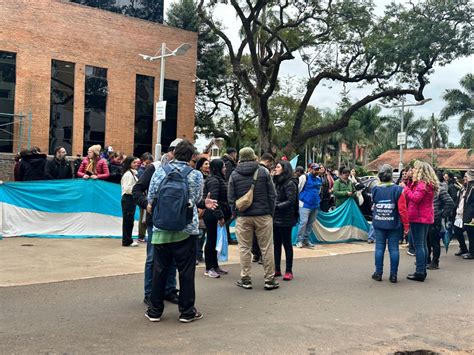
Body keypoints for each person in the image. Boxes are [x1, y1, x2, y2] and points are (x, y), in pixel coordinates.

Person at [145, 140, 205, 323]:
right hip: (186, 230)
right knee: (186, 272)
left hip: (161, 228)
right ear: (192, 156)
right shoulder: (195, 175)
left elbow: (151, 196)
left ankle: (155, 311)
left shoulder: (160, 171)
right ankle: (187, 312)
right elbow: (196, 198)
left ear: (174, 153)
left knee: (159, 270)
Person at [228, 147, 278, 290]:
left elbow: (231, 198)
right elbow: (272, 195)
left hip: (243, 217)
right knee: (267, 248)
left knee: (244, 248)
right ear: (254, 157)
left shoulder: (234, 174)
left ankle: (246, 279)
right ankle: (269, 279)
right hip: (263, 215)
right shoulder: (263, 172)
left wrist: (235, 214)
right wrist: (270, 213)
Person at [371, 165, 409, 283]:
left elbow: (375, 203)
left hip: (379, 222)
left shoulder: (375, 189)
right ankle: (393, 275)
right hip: (393, 223)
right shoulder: (398, 190)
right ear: (391, 175)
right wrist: (406, 226)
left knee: (379, 248)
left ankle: (378, 273)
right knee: (393, 249)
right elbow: (402, 209)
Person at [401, 161, 438, 282]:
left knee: (419, 245)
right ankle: (422, 269)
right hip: (424, 217)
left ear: (420, 171)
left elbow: (415, 198)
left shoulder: (422, 184)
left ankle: (420, 271)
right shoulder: (426, 184)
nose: (413, 171)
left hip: (419, 217)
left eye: (415, 169)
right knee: (423, 244)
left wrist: (405, 188)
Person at [203, 159, 231, 278]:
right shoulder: (214, 181)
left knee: (215, 240)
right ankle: (209, 267)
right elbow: (214, 201)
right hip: (212, 215)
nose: (225, 169)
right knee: (211, 240)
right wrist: (220, 216)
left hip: (216, 214)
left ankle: (215, 265)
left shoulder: (218, 179)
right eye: (223, 167)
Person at [273, 160, 298, 281]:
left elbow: (291, 201)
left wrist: (276, 206)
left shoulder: (290, 183)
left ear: (284, 168)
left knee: (287, 244)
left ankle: (289, 270)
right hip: (275, 217)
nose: (275, 169)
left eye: (278, 167)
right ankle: (277, 269)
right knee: (276, 244)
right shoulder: (276, 182)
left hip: (286, 218)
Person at [426, 171, 454, 269]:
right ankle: (427, 260)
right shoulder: (429, 189)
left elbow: (450, 202)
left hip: (435, 219)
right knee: (427, 241)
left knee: (434, 242)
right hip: (427, 218)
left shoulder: (440, 189)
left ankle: (435, 262)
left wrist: (442, 214)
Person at [251, 153, 276, 263]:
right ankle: (261, 256)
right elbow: (271, 193)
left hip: (250, 206)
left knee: (254, 234)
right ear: (269, 161)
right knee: (263, 235)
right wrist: (271, 210)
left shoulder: (252, 169)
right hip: (263, 206)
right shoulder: (265, 172)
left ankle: (255, 254)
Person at [296, 163, 322, 249]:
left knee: (310, 224)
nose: (316, 171)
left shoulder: (319, 179)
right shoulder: (304, 177)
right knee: (303, 223)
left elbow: (318, 191)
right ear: (310, 169)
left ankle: (306, 240)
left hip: (315, 205)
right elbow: (298, 189)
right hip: (304, 204)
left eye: (318, 169)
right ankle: (299, 241)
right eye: (315, 169)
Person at [453, 170, 474, 259]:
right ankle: (463, 248)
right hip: (460, 213)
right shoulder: (464, 187)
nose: (464, 178)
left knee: (471, 233)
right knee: (457, 231)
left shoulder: (472, 188)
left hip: (469, 214)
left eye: (466, 176)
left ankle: (472, 252)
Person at [121, 156, 140, 247]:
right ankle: (127, 240)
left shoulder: (133, 174)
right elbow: (127, 189)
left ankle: (128, 239)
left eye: (137, 162)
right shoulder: (128, 175)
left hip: (130, 199)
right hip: (128, 198)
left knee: (129, 220)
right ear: (129, 164)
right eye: (134, 163)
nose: (136, 164)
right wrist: (137, 190)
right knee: (128, 221)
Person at [195, 157, 210, 264]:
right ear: (200, 166)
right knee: (199, 233)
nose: (208, 166)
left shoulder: (209, 177)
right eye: (205, 164)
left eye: (208, 164)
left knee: (203, 233)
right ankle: (196, 255)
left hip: (207, 207)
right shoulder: (198, 177)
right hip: (199, 207)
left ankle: (200, 254)